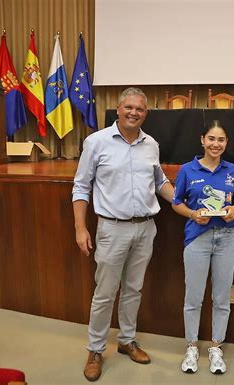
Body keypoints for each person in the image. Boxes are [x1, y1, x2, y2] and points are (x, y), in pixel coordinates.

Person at [72, 87, 174, 382]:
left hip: (145, 228)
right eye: (128, 107)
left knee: (134, 289)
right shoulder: (96, 142)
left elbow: (160, 183)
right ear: (117, 109)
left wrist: (187, 204)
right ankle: (95, 349)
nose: (133, 113)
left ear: (146, 113)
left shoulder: (151, 144)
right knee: (104, 294)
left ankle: (127, 340)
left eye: (139, 109)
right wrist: (80, 227)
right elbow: (81, 186)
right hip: (112, 229)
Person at [172, 120, 234, 375]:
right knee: (194, 297)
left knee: (222, 298)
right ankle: (191, 346)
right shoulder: (187, 170)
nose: (215, 144)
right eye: (211, 138)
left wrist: (233, 210)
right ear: (202, 140)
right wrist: (192, 214)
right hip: (197, 239)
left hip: (226, 238)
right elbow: (176, 202)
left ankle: (215, 347)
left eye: (221, 140)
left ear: (226, 144)